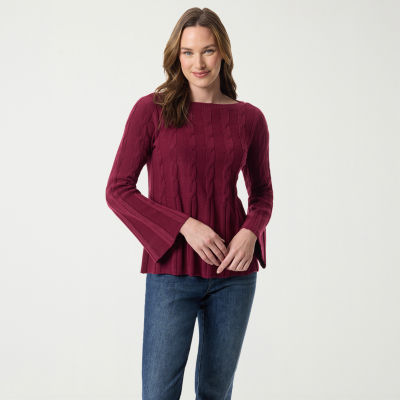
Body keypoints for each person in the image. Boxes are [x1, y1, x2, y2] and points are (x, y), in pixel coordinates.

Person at [105, 7, 273, 400]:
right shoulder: (152, 110)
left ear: (223, 53)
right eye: (188, 52)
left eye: (208, 51)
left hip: (234, 273)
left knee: (216, 392)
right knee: (158, 393)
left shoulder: (250, 119)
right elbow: (118, 189)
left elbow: (262, 193)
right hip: (171, 271)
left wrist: (251, 232)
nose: (198, 63)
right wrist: (185, 225)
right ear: (176, 56)